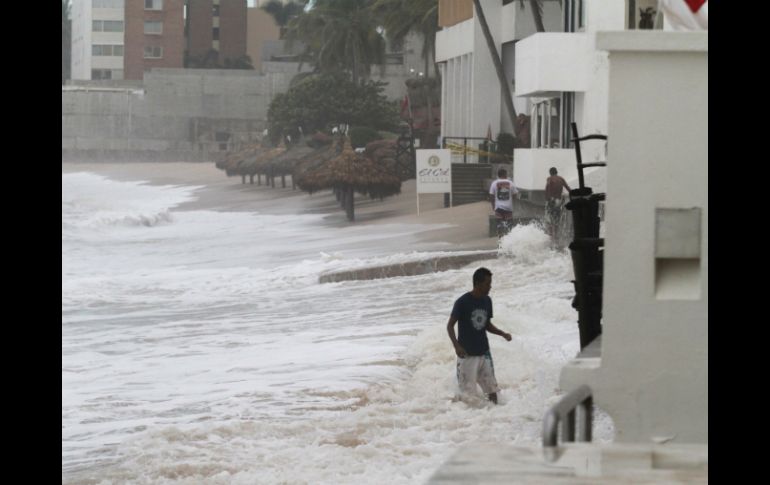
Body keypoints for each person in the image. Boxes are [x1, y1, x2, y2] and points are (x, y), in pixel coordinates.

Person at [446, 267, 512, 404]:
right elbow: (450, 326)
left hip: (484, 353)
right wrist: (456, 346)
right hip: (467, 356)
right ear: (477, 283)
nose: (490, 286)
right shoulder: (462, 302)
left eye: (490, 283)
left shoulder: (487, 301)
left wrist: (502, 333)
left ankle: (492, 418)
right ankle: (460, 420)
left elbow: (487, 325)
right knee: (466, 397)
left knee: (493, 392)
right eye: (487, 283)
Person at [489, 168, 519, 237]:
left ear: (498, 175)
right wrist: (511, 201)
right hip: (508, 208)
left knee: (499, 226)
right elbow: (515, 194)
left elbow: (491, 196)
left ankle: (500, 241)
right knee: (509, 227)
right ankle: (509, 241)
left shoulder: (494, 183)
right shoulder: (510, 183)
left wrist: (493, 206)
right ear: (505, 174)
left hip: (498, 208)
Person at [544, 167, 571, 239]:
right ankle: (555, 236)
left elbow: (547, 189)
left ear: (550, 173)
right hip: (559, 202)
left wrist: (548, 199)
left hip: (551, 201)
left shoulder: (549, 179)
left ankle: (550, 236)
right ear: (556, 172)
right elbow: (568, 188)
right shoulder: (561, 179)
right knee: (556, 219)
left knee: (549, 219)